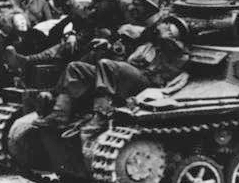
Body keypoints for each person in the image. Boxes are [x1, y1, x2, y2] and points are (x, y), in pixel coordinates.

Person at [38, 18, 189, 130]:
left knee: (106, 64)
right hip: (128, 75)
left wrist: (167, 33)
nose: (161, 25)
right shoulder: (152, 43)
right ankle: (60, 113)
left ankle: (102, 113)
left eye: (167, 25)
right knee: (75, 67)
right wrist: (110, 46)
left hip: (146, 82)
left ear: (172, 32)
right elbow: (129, 49)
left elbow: (165, 62)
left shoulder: (177, 52)